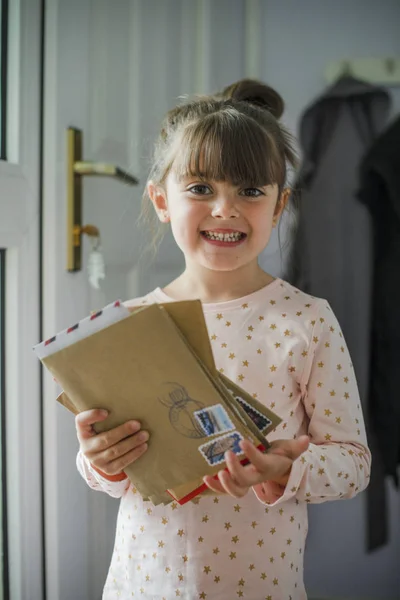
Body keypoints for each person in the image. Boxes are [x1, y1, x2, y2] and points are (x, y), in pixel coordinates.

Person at [75, 79, 371, 600]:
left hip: (260, 585)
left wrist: (289, 469)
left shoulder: (307, 319)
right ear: (161, 199)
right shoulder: (125, 325)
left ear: (279, 206)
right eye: (200, 188)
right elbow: (113, 473)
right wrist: (97, 461)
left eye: (251, 191)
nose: (224, 209)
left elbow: (353, 463)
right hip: (145, 583)